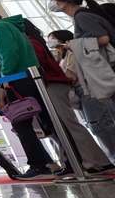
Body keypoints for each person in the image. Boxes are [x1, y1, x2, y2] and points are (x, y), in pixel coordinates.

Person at [22, 20, 114, 175]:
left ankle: (99, 161)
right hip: (63, 87)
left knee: (80, 124)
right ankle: (82, 161)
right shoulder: (54, 53)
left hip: (76, 88)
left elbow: (58, 70)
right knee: (70, 125)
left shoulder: (34, 44)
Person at [0, 7, 53, 180]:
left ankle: (38, 167)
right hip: (32, 77)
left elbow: (8, 53)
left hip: (19, 79)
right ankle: (68, 162)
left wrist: (6, 75)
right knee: (48, 121)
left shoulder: (0, 27)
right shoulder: (14, 26)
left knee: (21, 125)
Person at [48, 0, 115, 120]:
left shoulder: (82, 16)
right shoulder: (83, 15)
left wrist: (73, 44)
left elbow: (103, 38)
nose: (51, 3)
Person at [49, 30, 115, 162]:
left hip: (86, 90)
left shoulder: (72, 52)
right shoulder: (61, 57)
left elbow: (71, 74)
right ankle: (111, 156)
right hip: (80, 92)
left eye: (53, 38)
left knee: (101, 124)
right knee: (96, 125)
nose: (50, 41)